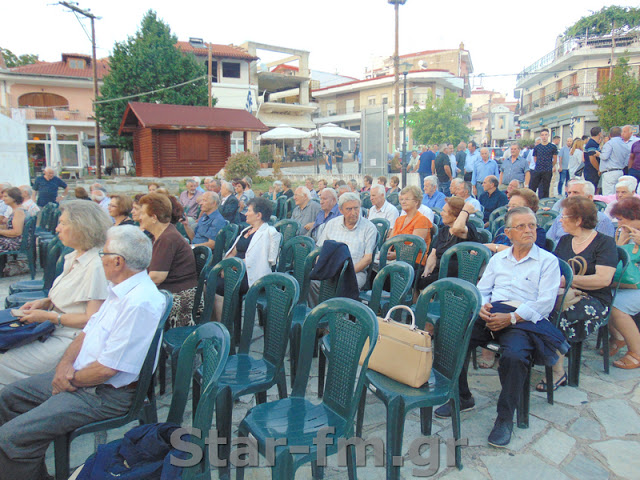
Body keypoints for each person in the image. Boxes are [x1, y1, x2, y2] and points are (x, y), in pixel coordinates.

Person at [0, 226, 166, 479]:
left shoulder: (139, 302)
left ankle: (17, 454)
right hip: (82, 377)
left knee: (11, 437)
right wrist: (64, 366)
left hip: (104, 394)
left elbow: (107, 370)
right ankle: (23, 464)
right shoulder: (119, 289)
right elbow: (88, 331)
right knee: (9, 397)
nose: (100, 258)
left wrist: (68, 379)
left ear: (117, 261)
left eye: (103, 253)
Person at [435, 207, 562, 448]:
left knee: (514, 356)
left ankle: (505, 418)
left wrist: (512, 318)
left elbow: (545, 304)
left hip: (523, 320)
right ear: (508, 232)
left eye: (532, 225)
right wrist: (481, 307)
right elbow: (482, 290)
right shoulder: (498, 259)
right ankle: (462, 396)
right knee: (452, 336)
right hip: (493, 313)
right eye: (521, 226)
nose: (528, 230)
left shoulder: (547, 261)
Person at [0, 201, 111, 389]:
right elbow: (73, 297)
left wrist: (49, 316)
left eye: (63, 223)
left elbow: (92, 320)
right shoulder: (75, 257)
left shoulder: (95, 266)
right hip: (50, 329)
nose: (57, 228)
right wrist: (45, 302)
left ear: (81, 227)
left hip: (68, 341)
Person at [542, 196, 618, 391]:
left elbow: (603, 280)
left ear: (578, 220)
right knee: (538, 307)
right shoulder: (566, 240)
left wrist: (569, 282)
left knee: (559, 316)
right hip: (566, 292)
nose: (560, 220)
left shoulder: (604, 243)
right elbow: (555, 271)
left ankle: (557, 371)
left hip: (595, 299)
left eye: (564, 216)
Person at [138, 193, 197, 328]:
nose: (139, 217)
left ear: (154, 218)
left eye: (142, 213)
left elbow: (156, 277)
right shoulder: (160, 236)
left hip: (177, 297)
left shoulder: (167, 238)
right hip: (169, 292)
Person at [219, 197, 281, 308]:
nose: (246, 214)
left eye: (249, 211)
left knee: (217, 286)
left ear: (258, 215)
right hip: (235, 270)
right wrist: (224, 267)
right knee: (210, 281)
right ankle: (220, 320)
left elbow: (261, 261)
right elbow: (233, 252)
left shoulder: (270, 233)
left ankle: (225, 321)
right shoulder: (246, 230)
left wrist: (231, 267)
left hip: (251, 275)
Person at [316, 192, 377, 290]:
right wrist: (322, 268)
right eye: (349, 209)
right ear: (340, 210)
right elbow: (320, 250)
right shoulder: (332, 224)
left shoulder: (369, 227)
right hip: (330, 270)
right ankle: (320, 305)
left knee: (343, 287)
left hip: (355, 272)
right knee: (311, 284)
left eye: (356, 208)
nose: (353, 213)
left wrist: (346, 272)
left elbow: (367, 259)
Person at [606, 197, 640, 369]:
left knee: (617, 305)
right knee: (604, 296)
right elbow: (615, 263)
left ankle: (637, 352)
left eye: (621, 219)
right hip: (629, 284)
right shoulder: (623, 233)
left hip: (637, 286)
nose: (618, 223)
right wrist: (621, 243)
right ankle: (618, 336)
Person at [419, 196, 480, 289]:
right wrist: (427, 271)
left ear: (455, 215)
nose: (441, 213)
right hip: (438, 270)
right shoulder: (444, 230)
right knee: (415, 278)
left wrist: (465, 211)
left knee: (426, 283)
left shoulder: (468, 228)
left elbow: (456, 229)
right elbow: (433, 254)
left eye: (444, 211)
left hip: (455, 275)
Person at [546, 179, 616, 243]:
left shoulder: (602, 220)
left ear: (589, 198)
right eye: (569, 193)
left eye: (575, 193)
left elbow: (604, 247)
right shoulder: (561, 217)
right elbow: (549, 241)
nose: (570, 197)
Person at [487, 188, 546, 253]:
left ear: (529, 209)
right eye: (508, 206)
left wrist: (495, 247)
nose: (509, 210)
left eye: (514, 207)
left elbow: (525, 254)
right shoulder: (503, 229)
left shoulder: (536, 232)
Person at [388, 186, 432, 264]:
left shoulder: (421, 220)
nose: (403, 202)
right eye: (401, 199)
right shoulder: (399, 219)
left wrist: (396, 255)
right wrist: (386, 252)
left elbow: (415, 247)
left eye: (407, 199)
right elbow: (390, 241)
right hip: (396, 260)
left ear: (416, 202)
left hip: (414, 261)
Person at [529, 128, 558, 199]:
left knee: (545, 189)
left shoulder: (553, 147)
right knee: (532, 187)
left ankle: (543, 203)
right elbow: (535, 158)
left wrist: (551, 166)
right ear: (540, 136)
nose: (544, 137)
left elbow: (555, 159)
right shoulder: (537, 147)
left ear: (548, 136)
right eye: (542, 135)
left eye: (545, 135)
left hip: (547, 170)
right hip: (538, 169)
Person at [599, 126, 629, 195]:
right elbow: (626, 161)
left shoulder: (609, 143)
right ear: (620, 134)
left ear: (610, 135)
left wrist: (599, 154)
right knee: (618, 195)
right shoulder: (625, 145)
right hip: (620, 171)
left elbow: (604, 157)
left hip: (609, 171)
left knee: (608, 195)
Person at [0, 188, 25, 253]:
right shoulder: (16, 210)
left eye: (5, 196)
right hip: (12, 239)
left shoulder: (19, 212)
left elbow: (17, 232)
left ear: (14, 198)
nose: (3, 199)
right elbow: (9, 227)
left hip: (15, 243)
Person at [583, 126, 603, 192]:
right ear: (599, 133)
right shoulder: (592, 144)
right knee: (592, 190)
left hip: (591, 171)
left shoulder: (594, 143)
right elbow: (592, 158)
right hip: (591, 171)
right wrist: (598, 169)